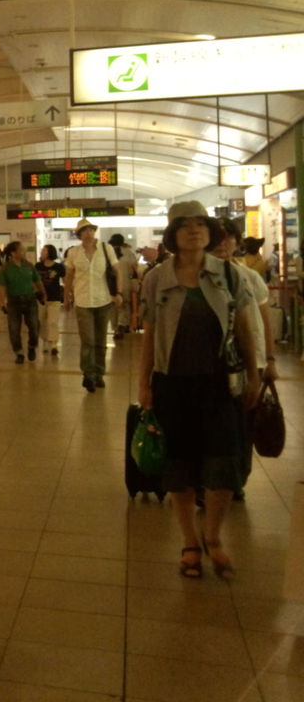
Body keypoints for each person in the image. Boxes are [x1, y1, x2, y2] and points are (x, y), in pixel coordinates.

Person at [137, 202, 258, 580]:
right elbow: (150, 334)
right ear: (173, 234)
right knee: (180, 465)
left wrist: (255, 375)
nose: (194, 231)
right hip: (172, 383)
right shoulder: (156, 278)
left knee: (223, 463)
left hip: (220, 384)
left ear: (211, 231)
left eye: (200, 225)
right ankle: (190, 542)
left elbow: (245, 328)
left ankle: (213, 537)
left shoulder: (229, 275)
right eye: (185, 225)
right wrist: (144, 383)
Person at [211, 217, 276, 499]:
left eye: (229, 237)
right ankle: (214, 480)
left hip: (251, 363)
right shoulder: (198, 278)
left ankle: (237, 478)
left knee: (245, 424)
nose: (223, 243)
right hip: (213, 364)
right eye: (217, 237)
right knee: (216, 424)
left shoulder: (249, 277)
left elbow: (264, 320)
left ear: (237, 242)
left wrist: (269, 360)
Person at [64, 218, 122, 393]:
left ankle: (99, 373)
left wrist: (119, 293)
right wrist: (66, 297)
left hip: (103, 300)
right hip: (82, 301)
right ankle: (88, 374)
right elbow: (69, 276)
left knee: (101, 341)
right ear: (79, 235)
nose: (88, 233)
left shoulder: (106, 248)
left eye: (90, 230)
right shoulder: (74, 252)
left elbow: (117, 271)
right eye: (84, 231)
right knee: (88, 340)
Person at [0, 242, 45, 364]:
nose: (24, 252)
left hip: (30, 299)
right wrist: (2, 302)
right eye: (21, 250)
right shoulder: (6, 268)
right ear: (13, 253)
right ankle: (19, 352)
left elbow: (37, 281)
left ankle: (32, 346)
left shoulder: (29, 266)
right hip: (14, 301)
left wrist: (42, 294)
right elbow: (2, 287)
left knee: (34, 326)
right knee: (14, 328)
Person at [35, 244, 65, 356]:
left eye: (44, 250)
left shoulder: (59, 267)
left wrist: (69, 294)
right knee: (41, 321)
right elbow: (34, 281)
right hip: (40, 299)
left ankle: (53, 344)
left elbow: (65, 280)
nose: (41, 252)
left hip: (55, 297)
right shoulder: (37, 266)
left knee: (52, 321)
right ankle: (44, 341)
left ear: (49, 253)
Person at [109, 235, 140, 338]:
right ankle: (121, 325)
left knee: (113, 306)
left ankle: (115, 327)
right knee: (124, 305)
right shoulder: (128, 252)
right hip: (124, 282)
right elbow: (135, 268)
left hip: (111, 284)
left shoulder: (109, 252)